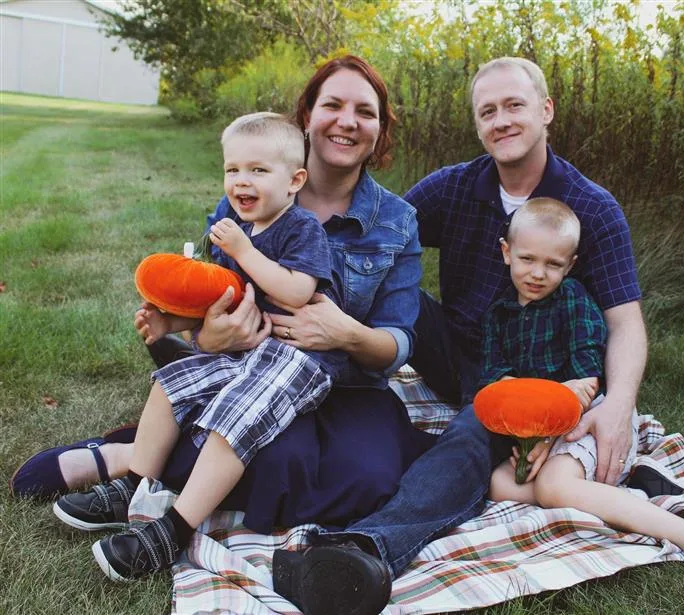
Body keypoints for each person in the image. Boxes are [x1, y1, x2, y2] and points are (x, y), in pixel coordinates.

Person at [265, 56, 684, 613]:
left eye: (514, 105)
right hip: (462, 351)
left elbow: (625, 322)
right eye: (488, 111)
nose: (502, 121)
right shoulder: (453, 189)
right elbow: (379, 225)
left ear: (546, 111)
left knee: (470, 439)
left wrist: (618, 404)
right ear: (477, 124)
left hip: (537, 375)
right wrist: (279, 236)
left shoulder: (591, 207)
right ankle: (289, 387)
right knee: (408, 304)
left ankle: (366, 548)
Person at [11, 56, 433, 613]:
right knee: (277, 457)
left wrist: (347, 332)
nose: (346, 121)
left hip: (345, 381)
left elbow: (397, 342)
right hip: (251, 363)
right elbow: (214, 296)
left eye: (365, 111)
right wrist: (202, 335)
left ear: (381, 127)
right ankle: (141, 467)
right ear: (307, 116)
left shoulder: (397, 220)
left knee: (370, 481)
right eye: (332, 105)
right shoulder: (247, 195)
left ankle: (130, 457)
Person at [51, 112, 357, 581]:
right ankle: (135, 483)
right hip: (252, 351)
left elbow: (298, 291)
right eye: (233, 170)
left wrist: (243, 251)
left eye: (258, 170)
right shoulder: (237, 227)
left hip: (303, 358)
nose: (242, 181)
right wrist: (169, 321)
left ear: (295, 180)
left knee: (237, 410)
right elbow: (223, 298)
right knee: (172, 381)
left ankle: (174, 529)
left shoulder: (301, 228)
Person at [483, 197, 684, 604]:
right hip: (538, 424)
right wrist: (524, 426)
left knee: (551, 487)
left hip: (587, 416)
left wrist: (545, 430)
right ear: (507, 252)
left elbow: (585, 383)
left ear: (571, 264)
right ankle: (631, 491)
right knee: (497, 484)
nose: (538, 273)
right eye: (527, 259)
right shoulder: (498, 315)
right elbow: (494, 377)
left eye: (553, 264)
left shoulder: (574, 301)